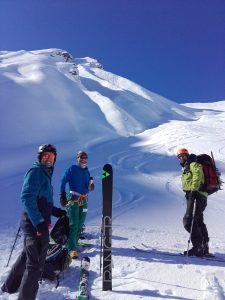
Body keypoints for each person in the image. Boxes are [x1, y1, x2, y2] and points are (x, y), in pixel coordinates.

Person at [1, 144, 66, 299]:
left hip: (35, 223)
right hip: (35, 225)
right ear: (40, 158)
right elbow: (27, 197)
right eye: (46, 156)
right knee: (35, 265)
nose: (49, 159)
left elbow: (42, 201)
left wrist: (56, 212)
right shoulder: (36, 171)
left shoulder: (44, 173)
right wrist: (39, 222)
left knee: (27, 256)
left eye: (52, 156)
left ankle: (9, 286)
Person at [59, 151, 94, 259]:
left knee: (80, 224)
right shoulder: (72, 169)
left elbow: (87, 186)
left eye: (85, 158)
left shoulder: (86, 170)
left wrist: (91, 185)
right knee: (73, 224)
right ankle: (71, 249)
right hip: (74, 199)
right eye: (81, 158)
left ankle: (74, 243)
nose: (83, 160)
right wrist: (62, 194)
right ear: (77, 159)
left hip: (84, 200)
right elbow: (63, 181)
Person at [176, 148, 210, 257]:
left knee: (188, 221)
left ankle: (198, 247)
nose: (182, 158)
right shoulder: (187, 166)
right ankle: (204, 248)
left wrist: (194, 190)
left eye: (184, 156)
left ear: (188, 155)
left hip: (196, 194)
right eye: (180, 157)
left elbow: (197, 174)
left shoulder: (193, 163)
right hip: (197, 195)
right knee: (198, 221)